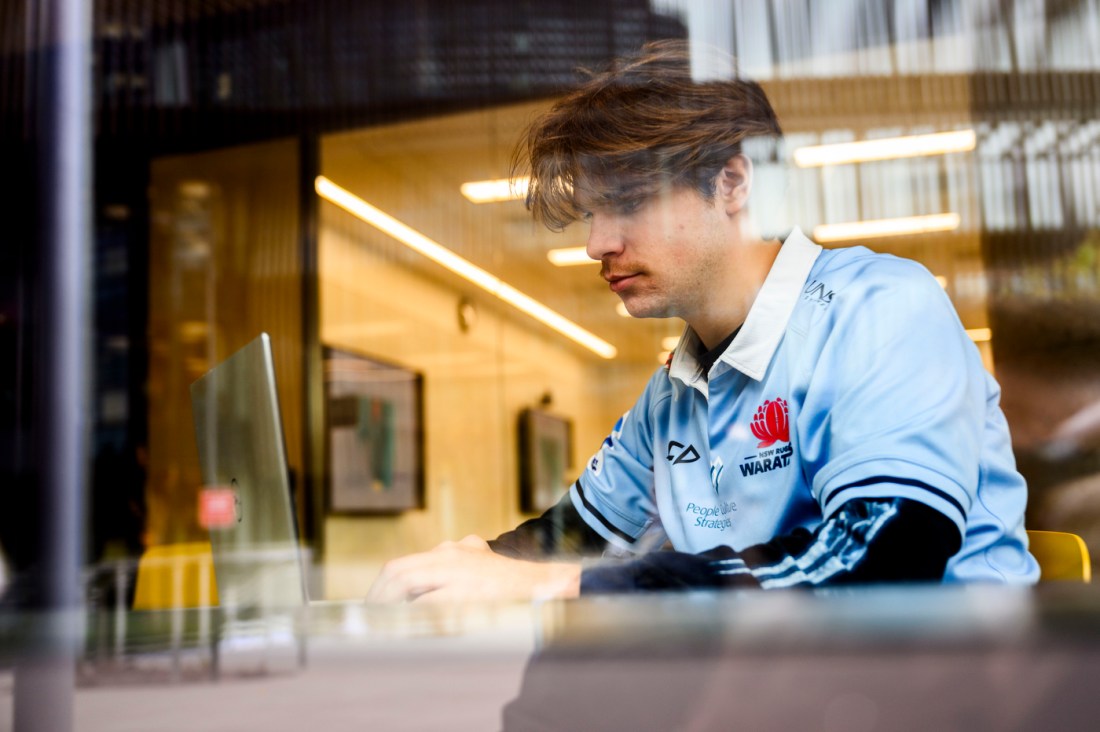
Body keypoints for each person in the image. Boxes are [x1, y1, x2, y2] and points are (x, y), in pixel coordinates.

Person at [366, 40, 1039, 603]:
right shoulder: (672, 394)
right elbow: (570, 539)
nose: (596, 244)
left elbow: (877, 562)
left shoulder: (882, 309)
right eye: (592, 214)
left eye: (626, 201)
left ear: (734, 183)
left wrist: (561, 587)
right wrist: (464, 562)